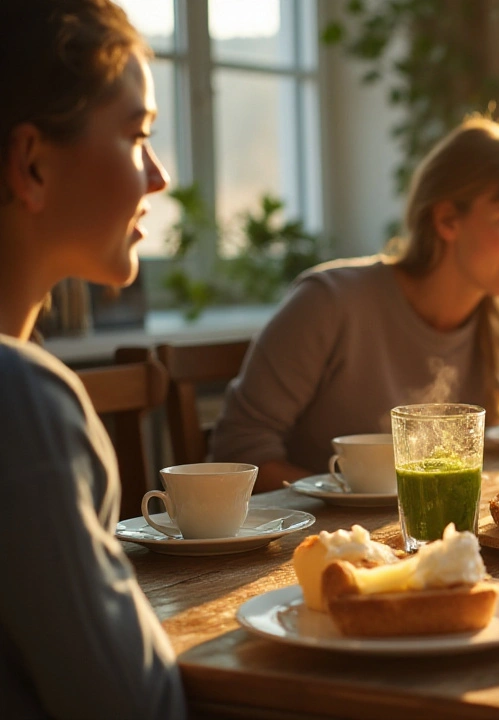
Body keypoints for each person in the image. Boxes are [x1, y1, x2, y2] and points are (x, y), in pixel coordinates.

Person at [212, 116, 499, 489]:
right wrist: (349, 498)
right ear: (447, 219)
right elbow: (239, 453)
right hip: (320, 553)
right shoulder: (330, 303)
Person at [0, 1, 185, 717]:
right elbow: (138, 708)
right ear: (31, 163)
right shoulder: (20, 400)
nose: (159, 177)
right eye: (137, 135)